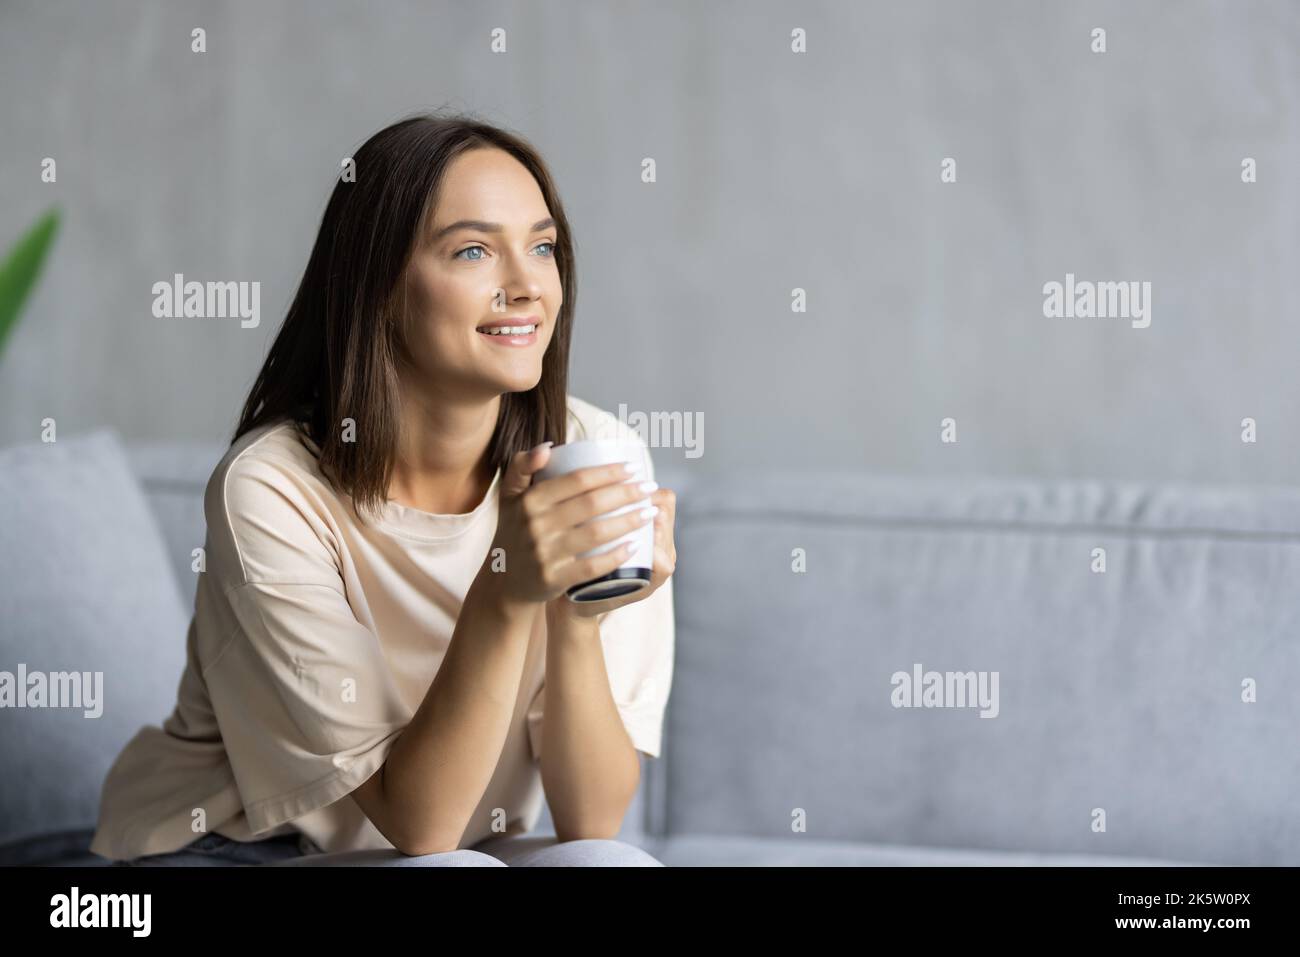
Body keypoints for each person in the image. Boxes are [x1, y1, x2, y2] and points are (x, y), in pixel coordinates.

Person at [88, 112, 676, 867]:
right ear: (380, 283)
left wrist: (579, 618)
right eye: (473, 250)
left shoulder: (594, 455)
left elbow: (592, 818)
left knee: (611, 864)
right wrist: (507, 587)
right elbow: (419, 825)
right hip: (243, 846)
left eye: (542, 246)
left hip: (450, 846)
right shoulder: (271, 489)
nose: (528, 286)